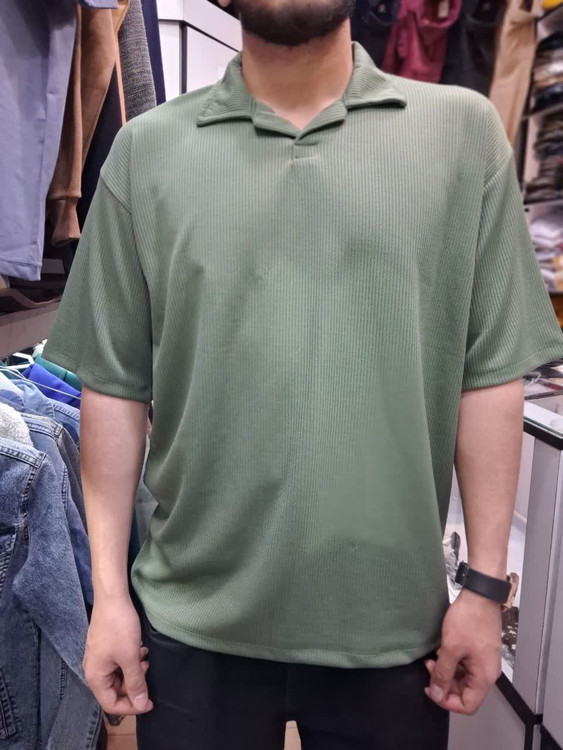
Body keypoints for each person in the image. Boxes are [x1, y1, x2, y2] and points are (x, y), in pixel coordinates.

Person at [44, 1, 563, 748]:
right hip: (190, 624)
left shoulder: (461, 134)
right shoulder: (145, 151)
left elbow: (486, 373)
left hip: (392, 629)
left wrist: (483, 588)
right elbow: (114, 386)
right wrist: (107, 596)